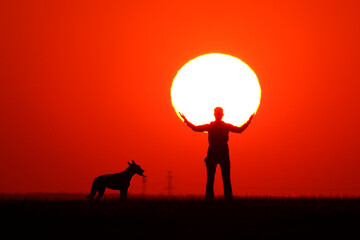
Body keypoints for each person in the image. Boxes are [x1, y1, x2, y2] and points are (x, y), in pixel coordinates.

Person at [180, 107, 253, 200]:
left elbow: (195, 128)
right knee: (224, 179)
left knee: (212, 179)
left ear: (215, 115)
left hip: (214, 155)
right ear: (222, 115)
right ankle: (227, 199)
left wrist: (186, 121)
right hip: (220, 155)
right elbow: (239, 130)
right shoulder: (224, 126)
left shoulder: (211, 126)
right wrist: (249, 121)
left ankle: (211, 200)